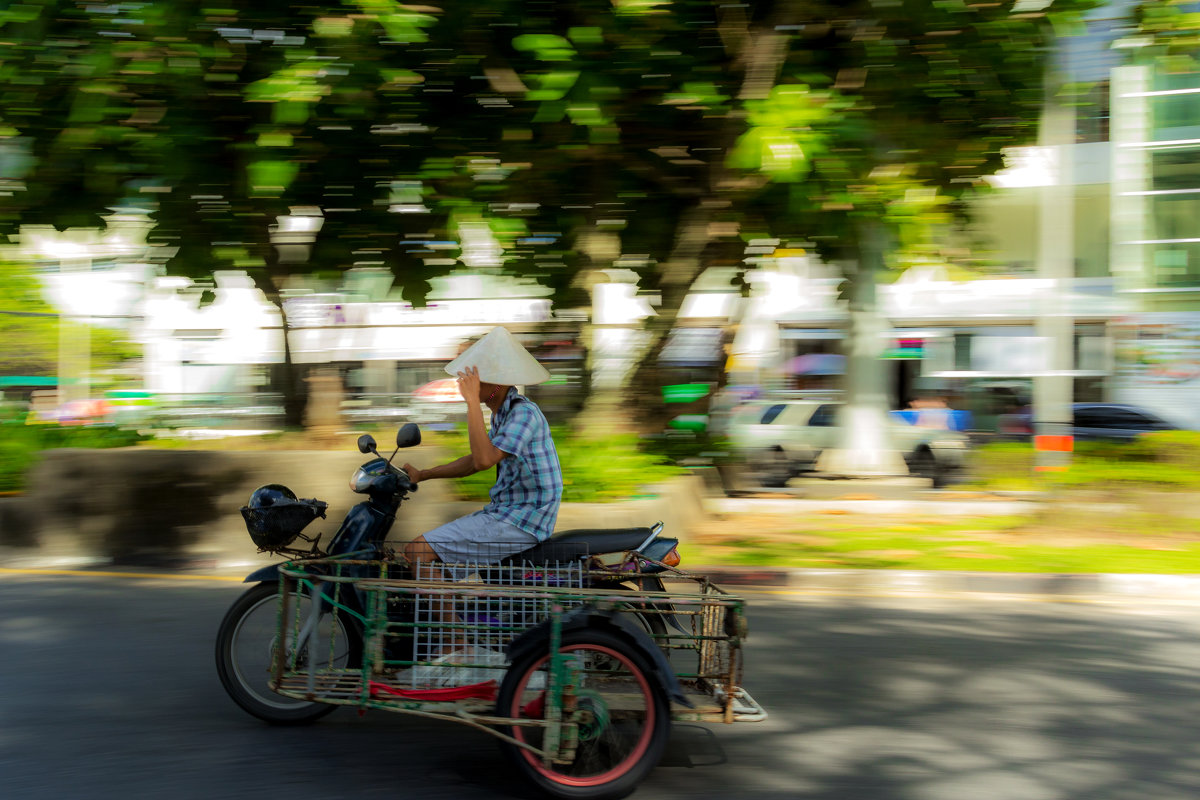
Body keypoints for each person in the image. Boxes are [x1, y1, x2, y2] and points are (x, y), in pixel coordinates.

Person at [402, 326, 563, 567]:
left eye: (471, 374)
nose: (463, 380)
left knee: (418, 552)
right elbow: (473, 462)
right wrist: (423, 475)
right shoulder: (503, 415)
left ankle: (442, 606)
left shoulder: (524, 414)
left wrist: (471, 402)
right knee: (440, 566)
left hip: (523, 521)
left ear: (495, 379)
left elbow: (483, 460)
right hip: (507, 514)